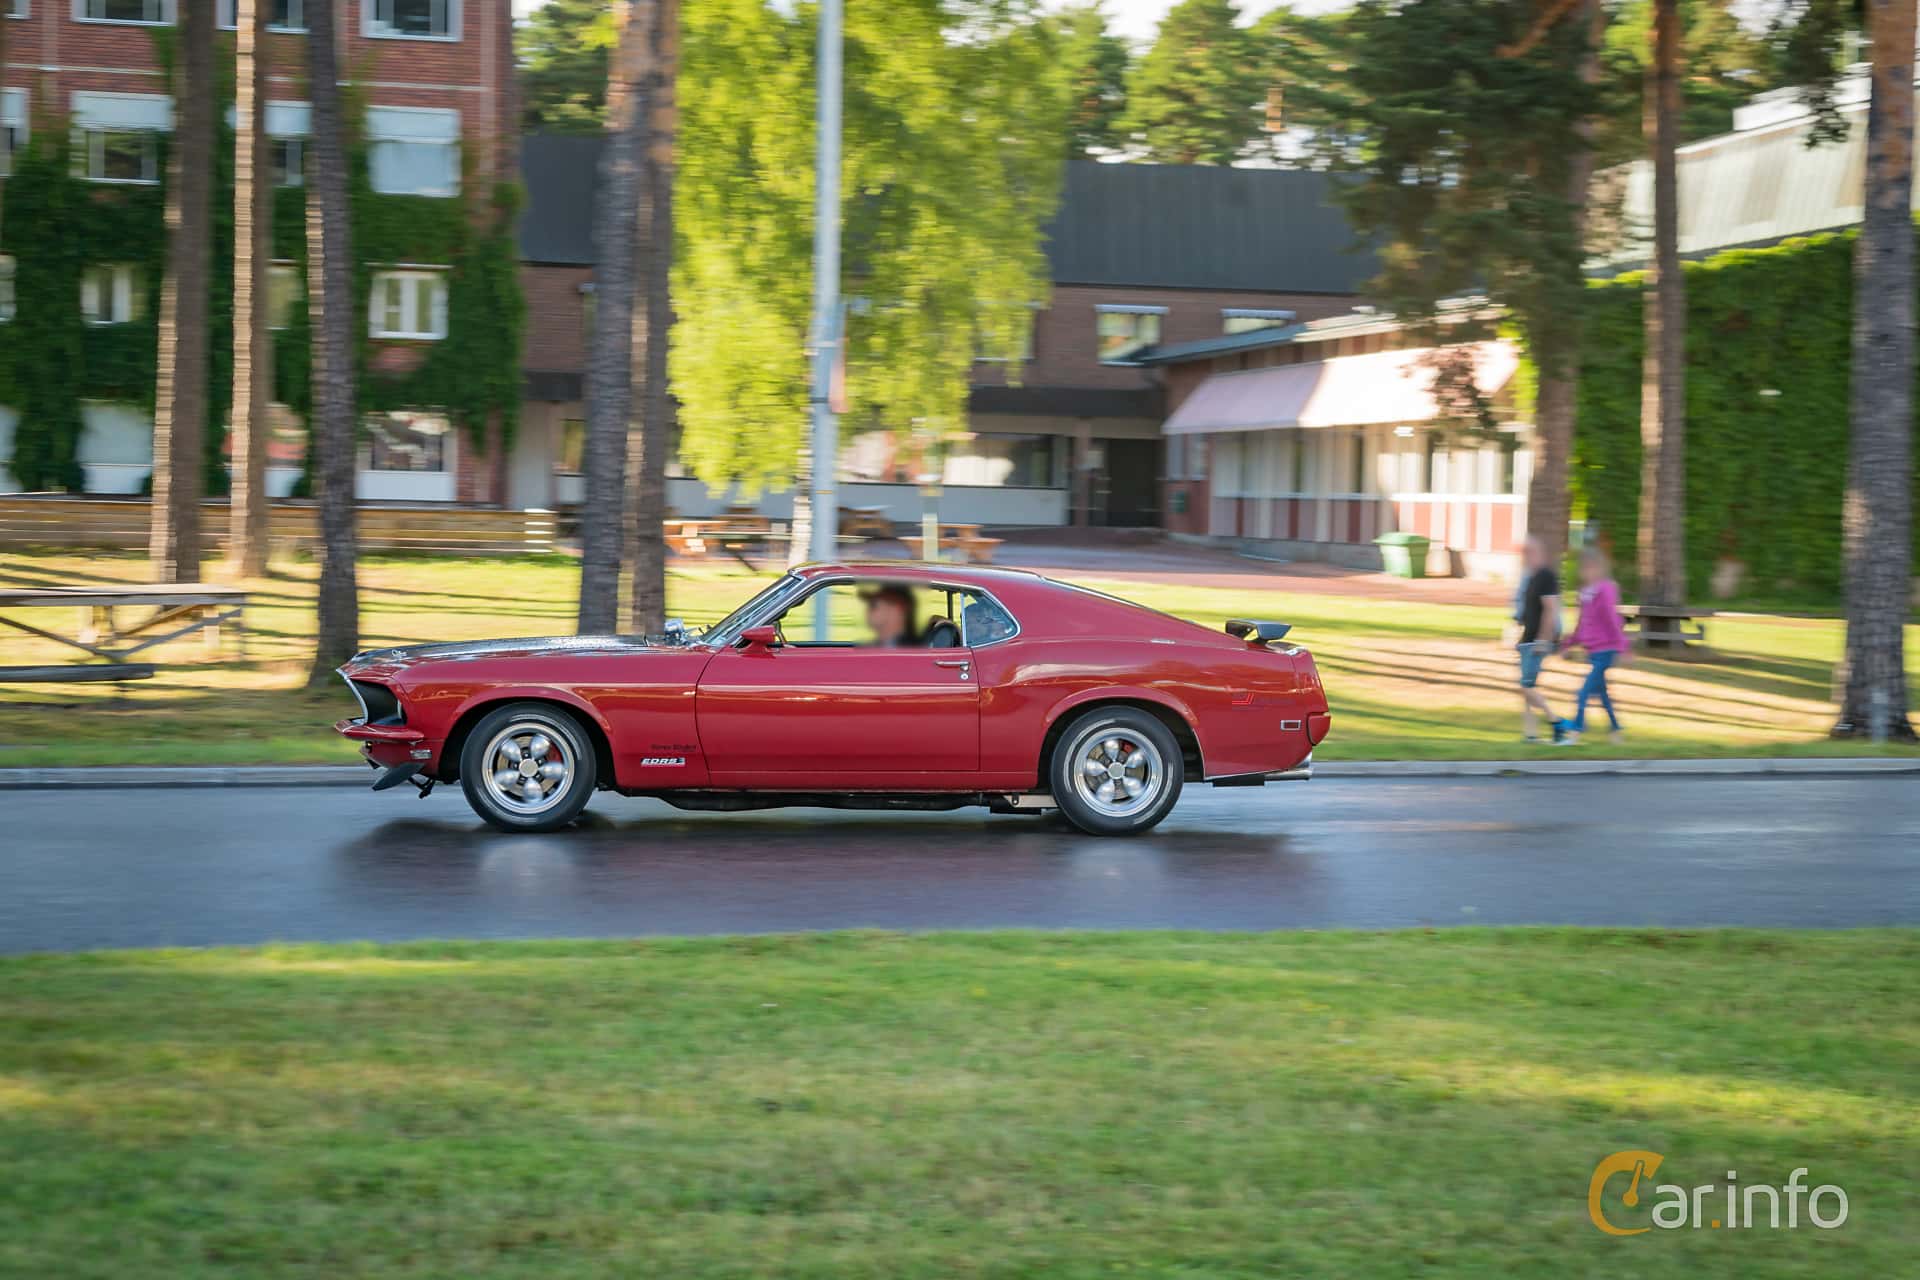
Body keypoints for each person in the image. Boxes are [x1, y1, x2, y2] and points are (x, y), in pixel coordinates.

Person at [1561, 547, 1629, 745]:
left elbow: (1613, 620)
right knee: (1602, 695)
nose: (1587, 571)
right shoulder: (1584, 593)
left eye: (1592, 567)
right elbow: (1582, 624)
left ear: (1600, 568)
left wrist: (1623, 648)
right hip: (1593, 652)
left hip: (1607, 650)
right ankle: (1616, 731)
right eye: (1585, 568)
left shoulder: (1606, 589)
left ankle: (1575, 733)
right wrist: (1568, 644)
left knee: (1582, 693)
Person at [1513, 535, 1569, 744]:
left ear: (1538, 553)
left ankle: (1557, 723)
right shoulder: (1532, 577)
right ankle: (1530, 734)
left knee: (1526, 687)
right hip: (1527, 640)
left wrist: (1543, 640)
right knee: (1526, 687)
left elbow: (1550, 609)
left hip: (1537, 642)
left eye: (1527, 552)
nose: (1524, 557)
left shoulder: (1546, 575)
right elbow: (1528, 612)